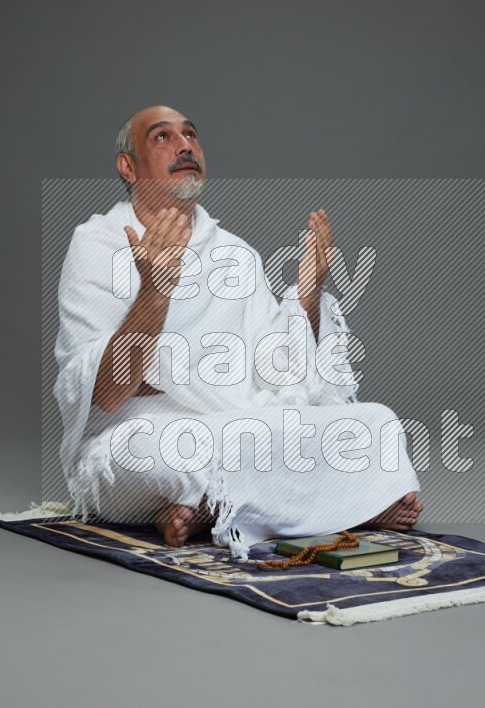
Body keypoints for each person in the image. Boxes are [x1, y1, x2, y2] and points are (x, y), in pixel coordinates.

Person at [53, 105, 422, 560]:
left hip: (240, 424)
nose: (185, 145)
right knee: (174, 449)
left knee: (374, 423)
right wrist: (154, 290)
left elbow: (281, 374)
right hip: (138, 433)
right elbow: (109, 393)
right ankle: (337, 506)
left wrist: (307, 295)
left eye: (190, 134)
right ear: (128, 167)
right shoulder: (97, 244)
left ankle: (208, 508)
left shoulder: (234, 253)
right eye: (162, 137)